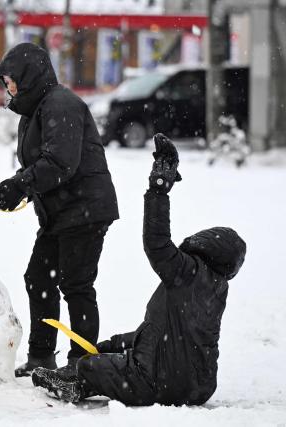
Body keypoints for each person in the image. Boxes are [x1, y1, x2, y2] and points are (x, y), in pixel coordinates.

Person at [32, 134, 247, 406]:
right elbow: (160, 334)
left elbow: (156, 242)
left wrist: (159, 189)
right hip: (201, 386)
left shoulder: (186, 270)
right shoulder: (216, 288)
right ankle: (88, 373)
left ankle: (75, 383)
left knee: (92, 367)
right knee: (108, 358)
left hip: (157, 380)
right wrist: (112, 344)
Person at [0, 42, 119, 377]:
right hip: (61, 213)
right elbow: (41, 164)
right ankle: (41, 356)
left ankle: (83, 364)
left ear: (30, 75)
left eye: (12, 80)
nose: (9, 87)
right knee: (39, 278)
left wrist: (21, 185)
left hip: (85, 209)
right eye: (6, 82)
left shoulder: (61, 104)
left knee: (76, 284)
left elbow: (61, 162)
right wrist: (14, 189)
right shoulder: (35, 110)